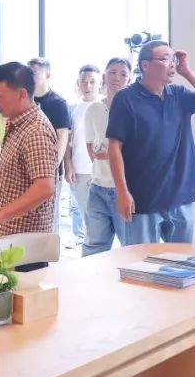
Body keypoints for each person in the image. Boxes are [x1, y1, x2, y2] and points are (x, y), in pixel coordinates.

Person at [107, 41, 195, 244]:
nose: (172, 64)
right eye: (165, 59)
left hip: (183, 195)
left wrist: (187, 73)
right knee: (141, 260)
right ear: (145, 65)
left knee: (186, 260)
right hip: (143, 197)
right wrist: (122, 192)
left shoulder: (178, 94)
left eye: (173, 59)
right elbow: (115, 146)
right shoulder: (125, 98)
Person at [0, 62, 58, 271]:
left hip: (23, 246)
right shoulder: (16, 122)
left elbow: (44, 187)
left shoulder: (36, 130)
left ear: (21, 94)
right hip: (7, 240)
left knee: (23, 293)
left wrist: (2, 213)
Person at [82, 58, 132, 256]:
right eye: (112, 72)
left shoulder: (134, 109)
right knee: (93, 247)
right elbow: (90, 146)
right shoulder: (94, 109)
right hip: (97, 188)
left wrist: (111, 156)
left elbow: (140, 153)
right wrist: (102, 158)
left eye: (123, 74)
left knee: (130, 247)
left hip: (125, 189)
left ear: (130, 79)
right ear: (104, 76)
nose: (117, 78)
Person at [27, 58, 74, 243]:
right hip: (27, 169)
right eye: (29, 72)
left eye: (35, 72)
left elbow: (63, 136)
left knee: (49, 218)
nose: (31, 77)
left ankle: (49, 256)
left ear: (48, 74)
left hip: (49, 171)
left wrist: (53, 166)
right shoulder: (25, 100)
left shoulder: (58, 102)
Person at [68, 65, 101, 249]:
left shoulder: (106, 106)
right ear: (78, 83)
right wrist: (68, 165)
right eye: (84, 82)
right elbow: (67, 140)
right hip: (79, 170)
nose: (88, 86)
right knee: (85, 215)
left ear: (100, 83)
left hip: (102, 172)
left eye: (92, 81)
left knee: (100, 221)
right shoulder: (73, 109)